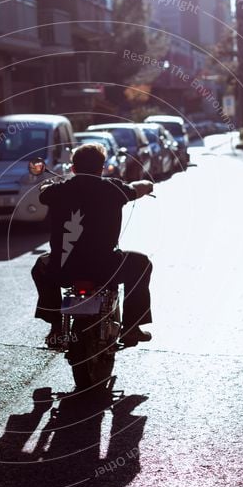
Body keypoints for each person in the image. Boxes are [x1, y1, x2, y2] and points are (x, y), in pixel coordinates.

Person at [31, 142, 154, 348]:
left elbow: (44, 191)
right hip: (106, 268)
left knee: (40, 266)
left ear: (73, 168)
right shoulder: (113, 188)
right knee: (142, 264)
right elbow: (136, 188)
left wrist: (49, 184)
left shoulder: (58, 191)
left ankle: (56, 326)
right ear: (101, 168)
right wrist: (149, 185)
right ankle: (131, 328)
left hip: (64, 268)